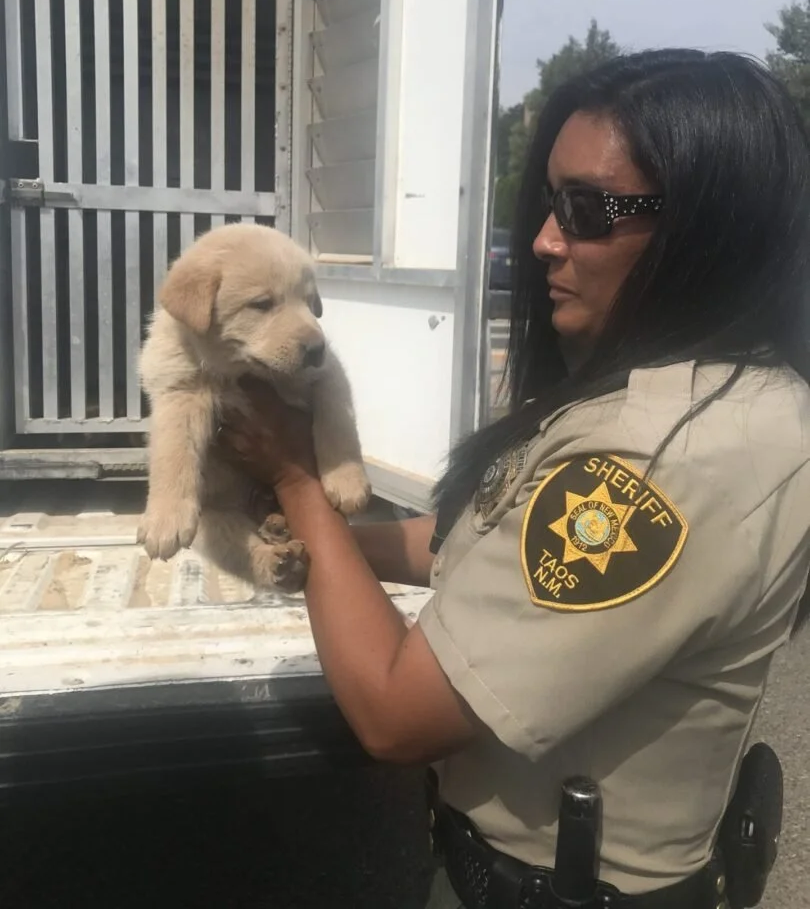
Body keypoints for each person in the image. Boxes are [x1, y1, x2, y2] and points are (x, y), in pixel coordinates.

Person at [218, 49, 810, 909]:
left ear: (707, 229)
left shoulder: (654, 459)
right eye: (548, 203)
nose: (542, 240)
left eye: (586, 210)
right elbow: (477, 540)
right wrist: (312, 535)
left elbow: (396, 716)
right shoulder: (738, 393)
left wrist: (298, 480)